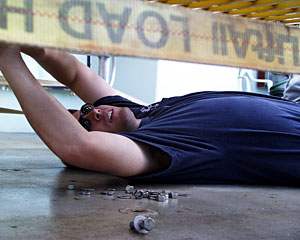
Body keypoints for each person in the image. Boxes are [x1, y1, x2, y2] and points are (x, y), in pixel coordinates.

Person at [0, 45, 299, 186]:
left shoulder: (143, 112)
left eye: (88, 108)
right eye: (86, 124)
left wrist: (30, 44)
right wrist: (8, 56)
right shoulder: (155, 147)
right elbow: (76, 146)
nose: (95, 113)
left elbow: (77, 74)